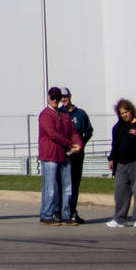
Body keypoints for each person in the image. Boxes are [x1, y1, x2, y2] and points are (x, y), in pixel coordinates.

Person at [106, 98, 136, 228]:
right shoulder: (118, 127)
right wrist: (111, 158)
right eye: (122, 113)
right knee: (120, 191)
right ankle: (119, 218)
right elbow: (115, 145)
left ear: (131, 111)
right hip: (121, 163)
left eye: (126, 112)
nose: (124, 115)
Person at [38, 87, 83, 226]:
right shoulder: (45, 115)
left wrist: (79, 144)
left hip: (64, 155)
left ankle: (66, 214)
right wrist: (70, 144)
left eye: (57, 97)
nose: (55, 100)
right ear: (48, 97)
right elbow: (52, 134)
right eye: (53, 97)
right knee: (50, 187)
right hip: (50, 155)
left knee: (67, 187)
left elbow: (73, 132)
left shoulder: (64, 115)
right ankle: (46, 215)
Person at [58, 86, 93, 224]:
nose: (64, 99)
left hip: (77, 155)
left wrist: (80, 144)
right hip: (64, 154)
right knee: (62, 184)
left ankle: (72, 211)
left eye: (66, 96)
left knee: (74, 184)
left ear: (70, 96)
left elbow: (88, 131)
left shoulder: (80, 114)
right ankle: (62, 211)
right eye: (61, 97)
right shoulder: (58, 113)